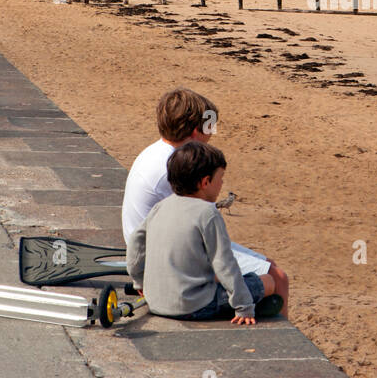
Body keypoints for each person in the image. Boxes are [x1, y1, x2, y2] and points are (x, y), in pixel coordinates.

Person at [121, 88, 283, 303]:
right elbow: (195, 228)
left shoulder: (157, 152)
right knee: (276, 276)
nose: (213, 134)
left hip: (153, 247)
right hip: (168, 257)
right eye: (210, 127)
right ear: (196, 131)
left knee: (264, 267)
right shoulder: (173, 170)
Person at [126, 141, 286, 324]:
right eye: (221, 178)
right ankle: (256, 307)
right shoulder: (208, 213)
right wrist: (244, 307)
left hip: (156, 301)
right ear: (205, 182)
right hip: (194, 306)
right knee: (268, 281)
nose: (222, 183)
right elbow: (225, 263)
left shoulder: (160, 207)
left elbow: (136, 244)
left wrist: (139, 281)